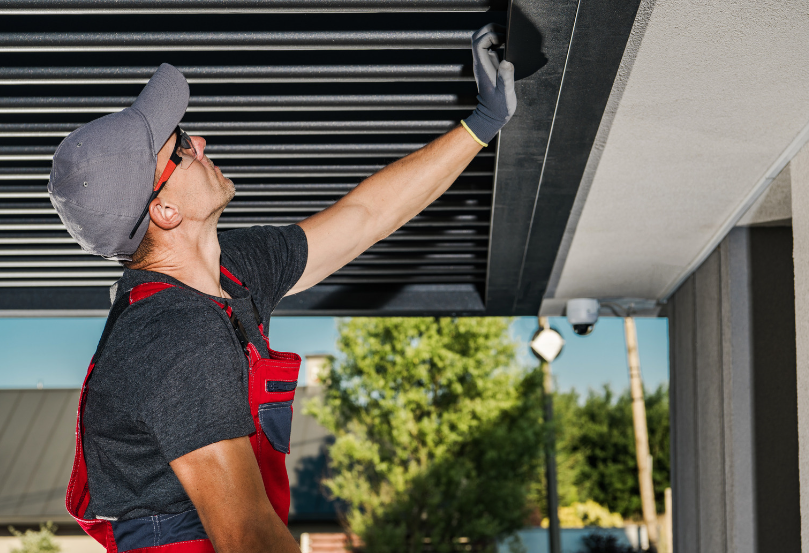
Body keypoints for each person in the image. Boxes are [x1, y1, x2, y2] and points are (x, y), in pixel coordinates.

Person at [50, 24, 516, 553]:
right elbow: (248, 538)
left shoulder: (231, 273)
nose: (199, 143)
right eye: (180, 148)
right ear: (165, 211)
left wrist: (480, 125)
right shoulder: (175, 337)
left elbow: (365, 217)